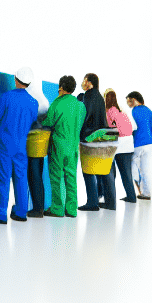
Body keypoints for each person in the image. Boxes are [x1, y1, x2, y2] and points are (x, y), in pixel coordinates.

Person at [0, 66, 40, 224]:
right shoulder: (33, 103)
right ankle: (21, 212)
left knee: (3, 177)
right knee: (21, 178)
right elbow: (31, 121)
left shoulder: (7, 97)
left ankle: (0, 214)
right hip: (22, 145)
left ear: (16, 80)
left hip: (5, 145)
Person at [44, 75, 85, 217]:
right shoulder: (80, 105)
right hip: (73, 146)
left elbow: (48, 122)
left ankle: (57, 209)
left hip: (58, 146)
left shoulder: (57, 103)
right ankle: (72, 210)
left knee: (56, 177)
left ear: (61, 87)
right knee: (71, 177)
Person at [77, 72, 116, 211]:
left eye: (84, 79)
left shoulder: (89, 95)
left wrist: (78, 132)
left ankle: (92, 202)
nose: (83, 82)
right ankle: (109, 202)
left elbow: (85, 116)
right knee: (102, 171)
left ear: (89, 81)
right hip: (101, 139)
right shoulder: (99, 96)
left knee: (87, 171)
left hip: (89, 138)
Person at [105, 88, 137, 203]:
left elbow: (109, 128)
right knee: (126, 174)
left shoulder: (109, 111)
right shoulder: (121, 111)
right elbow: (132, 127)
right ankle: (131, 197)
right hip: (128, 144)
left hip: (117, 144)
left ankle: (110, 200)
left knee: (110, 174)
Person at [25, 77, 51, 218]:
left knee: (33, 175)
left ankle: (37, 209)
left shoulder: (31, 98)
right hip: (42, 141)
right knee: (38, 174)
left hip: (34, 141)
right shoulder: (43, 98)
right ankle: (38, 207)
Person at [127, 91, 152, 199]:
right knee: (146, 169)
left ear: (134, 100)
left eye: (129, 102)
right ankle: (146, 193)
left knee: (133, 167)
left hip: (138, 144)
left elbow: (132, 128)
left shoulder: (134, 111)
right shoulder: (149, 111)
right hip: (149, 143)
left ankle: (140, 190)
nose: (128, 105)